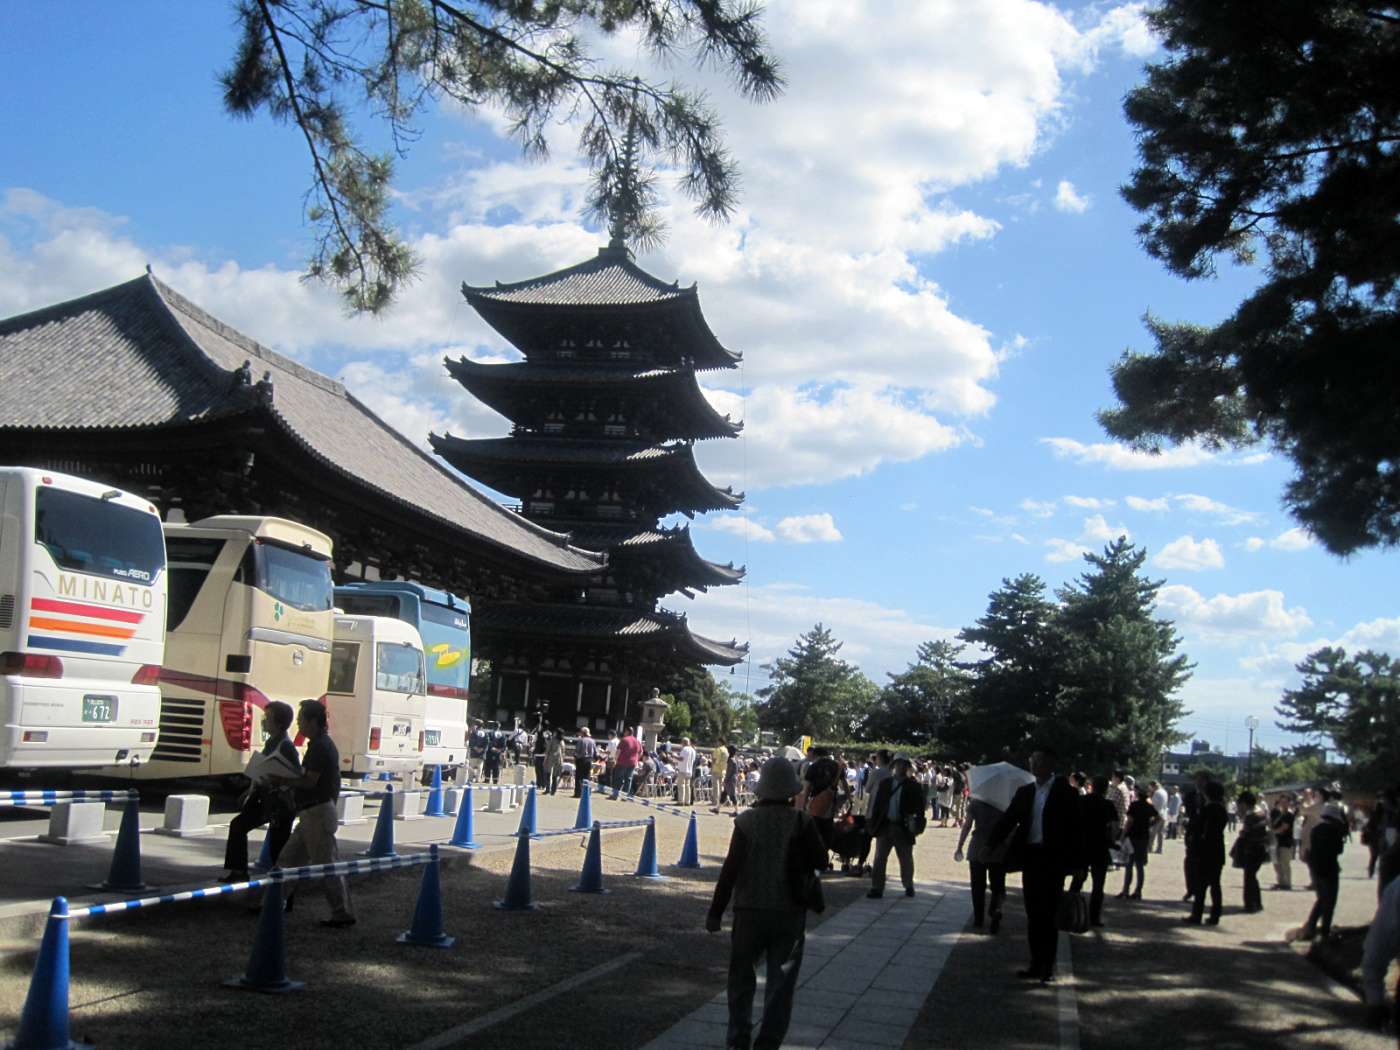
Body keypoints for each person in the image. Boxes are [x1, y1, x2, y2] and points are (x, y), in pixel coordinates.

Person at [706, 757, 828, 1050]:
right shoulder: (801, 821)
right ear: (791, 790)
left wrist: (715, 912)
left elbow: (731, 868)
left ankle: (739, 1040)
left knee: (740, 980)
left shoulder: (746, 821)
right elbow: (822, 860)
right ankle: (768, 1043)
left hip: (749, 909)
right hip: (789, 911)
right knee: (780, 985)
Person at [985, 745, 1083, 984]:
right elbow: (1009, 820)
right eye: (1032, 759)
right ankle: (1035, 963)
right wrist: (990, 844)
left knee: (1048, 914)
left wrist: (1079, 865)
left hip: (1053, 860)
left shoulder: (1066, 793)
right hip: (1031, 858)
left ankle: (1047, 967)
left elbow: (1077, 831)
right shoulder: (1026, 792)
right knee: (1033, 913)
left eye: (1039, 760)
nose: (1034, 764)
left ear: (1052, 764)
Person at [267, 699, 355, 927]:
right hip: (312, 812)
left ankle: (342, 912)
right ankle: (274, 902)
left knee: (326, 865)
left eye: (301, 720)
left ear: (313, 722)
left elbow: (309, 781)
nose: (298, 725)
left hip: (317, 811)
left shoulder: (319, 747)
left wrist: (281, 780)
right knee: (288, 859)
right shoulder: (321, 744)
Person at [220, 700, 299, 882]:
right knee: (238, 825)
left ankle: (282, 885)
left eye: (268, 718)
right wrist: (250, 790)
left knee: (277, 847)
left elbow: (295, 776)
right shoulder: (271, 742)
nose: (264, 721)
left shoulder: (285, 746)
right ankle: (238, 871)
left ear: (279, 723)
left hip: (279, 805)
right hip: (264, 800)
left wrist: (277, 781)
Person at [866, 751, 926, 899]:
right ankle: (877, 887)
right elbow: (878, 805)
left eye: (903, 764)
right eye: (898, 763)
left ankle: (908, 884)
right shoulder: (886, 784)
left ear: (907, 766)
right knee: (879, 858)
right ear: (893, 765)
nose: (900, 767)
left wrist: (918, 825)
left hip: (903, 826)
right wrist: (874, 823)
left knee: (906, 858)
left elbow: (919, 808)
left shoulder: (913, 786)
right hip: (886, 825)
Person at [1291, 802, 1349, 942]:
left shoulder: (1316, 829)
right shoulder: (1334, 830)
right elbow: (1339, 850)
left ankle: (1311, 926)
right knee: (1330, 901)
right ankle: (1324, 931)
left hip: (1315, 867)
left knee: (1322, 898)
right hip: (1329, 868)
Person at [956, 784, 1008, 932]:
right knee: (997, 885)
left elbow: (967, 825)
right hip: (998, 848)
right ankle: (996, 909)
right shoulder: (1004, 805)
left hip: (977, 848)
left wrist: (960, 845)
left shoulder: (976, 803)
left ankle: (978, 918)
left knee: (977, 886)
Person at [1072, 774, 1116, 927]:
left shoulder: (1081, 800)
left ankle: (1071, 912)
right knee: (1098, 885)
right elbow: (1114, 827)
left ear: (1092, 786)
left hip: (1082, 845)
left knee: (1078, 880)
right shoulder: (1108, 804)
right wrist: (1111, 838)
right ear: (1105, 789)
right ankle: (1094, 917)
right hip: (1100, 846)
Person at [1185, 779, 1227, 925]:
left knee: (1201, 884)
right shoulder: (1222, 808)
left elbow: (1200, 829)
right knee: (1215, 884)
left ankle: (1197, 914)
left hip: (1204, 850)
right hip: (1217, 849)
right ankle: (1215, 914)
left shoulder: (1207, 809)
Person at [1230, 790, 1269, 913]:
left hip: (1251, 850)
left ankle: (1250, 905)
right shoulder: (1262, 813)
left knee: (1249, 878)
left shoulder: (1250, 817)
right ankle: (1257, 902)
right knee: (1253, 877)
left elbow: (1247, 834)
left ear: (1245, 803)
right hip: (1261, 849)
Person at [1118, 785, 1159, 900]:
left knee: (1129, 864)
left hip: (1133, 835)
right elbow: (1158, 817)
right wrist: (1148, 825)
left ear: (1137, 793)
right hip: (1144, 836)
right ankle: (1138, 891)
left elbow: (1129, 821)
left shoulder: (1134, 805)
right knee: (1140, 865)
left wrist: (1123, 834)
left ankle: (1125, 890)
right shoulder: (1149, 806)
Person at [1271, 793, 1297, 890]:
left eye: (1285, 802)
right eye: (1281, 802)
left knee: (1285, 864)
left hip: (1286, 842)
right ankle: (1281, 882)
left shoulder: (1289, 815)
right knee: (1278, 864)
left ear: (1289, 803)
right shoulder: (1280, 814)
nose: (1283, 804)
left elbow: (1284, 827)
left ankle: (1286, 883)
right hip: (1278, 841)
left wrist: (1273, 832)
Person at [613, 726, 643, 795]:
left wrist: (615, 760)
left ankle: (615, 794)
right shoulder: (637, 741)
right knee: (628, 779)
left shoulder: (624, 740)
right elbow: (641, 752)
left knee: (618, 778)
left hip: (622, 762)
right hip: (632, 763)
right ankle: (625, 796)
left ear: (627, 732)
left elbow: (618, 751)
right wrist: (636, 759)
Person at [572, 727, 598, 798]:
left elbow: (577, 751)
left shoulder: (581, 740)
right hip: (589, 760)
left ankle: (578, 793)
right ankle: (587, 793)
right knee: (587, 777)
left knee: (579, 777)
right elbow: (595, 752)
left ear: (583, 733)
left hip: (581, 760)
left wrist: (575, 755)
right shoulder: (592, 741)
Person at [676, 737, 698, 806]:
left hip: (683, 769)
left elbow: (681, 759)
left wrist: (674, 757)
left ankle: (680, 801)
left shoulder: (684, 749)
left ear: (684, 742)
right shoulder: (693, 750)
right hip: (689, 770)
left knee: (681, 786)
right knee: (688, 786)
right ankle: (687, 801)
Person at [545, 729, 565, 795]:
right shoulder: (562, 741)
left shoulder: (552, 740)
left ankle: (547, 789)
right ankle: (553, 790)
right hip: (559, 759)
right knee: (555, 776)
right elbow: (563, 752)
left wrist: (544, 760)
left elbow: (547, 751)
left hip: (551, 758)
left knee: (547, 773)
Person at [1151, 780, 1169, 853]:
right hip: (1163, 814)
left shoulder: (1157, 793)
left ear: (1155, 787)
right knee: (1160, 833)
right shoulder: (1165, 792)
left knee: (1152, 832)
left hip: (1157, 814)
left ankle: (1150, 847)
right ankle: (1159, 848)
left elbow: (1153, 805)